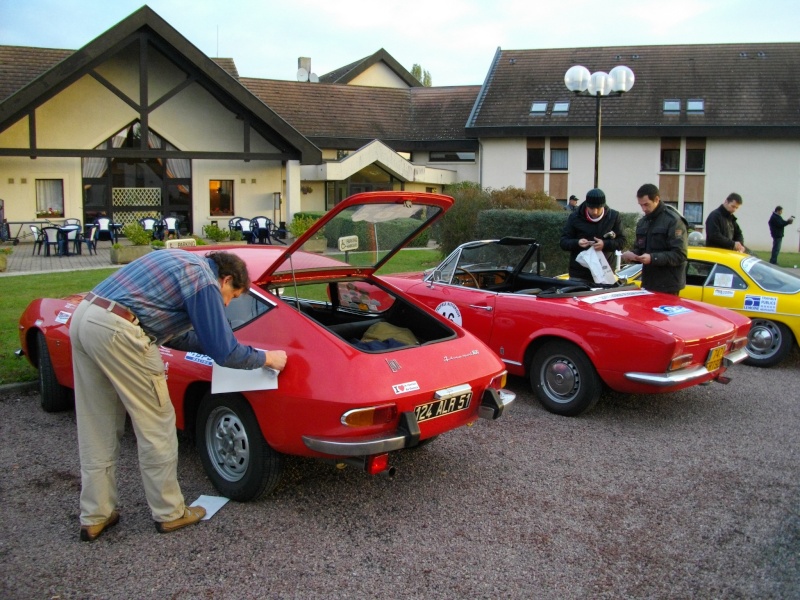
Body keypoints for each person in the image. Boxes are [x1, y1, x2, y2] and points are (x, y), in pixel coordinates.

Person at [69, 250, 287, 542]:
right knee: (156, 425)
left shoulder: (181, 261)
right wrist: (265, 358)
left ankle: (95, 515)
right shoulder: (204, 280)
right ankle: (170, 513)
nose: (226, 303)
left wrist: (226, 345)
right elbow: (224, 353)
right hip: (120, 330)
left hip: (85, 317)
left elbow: (180, 337)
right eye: (232, 297)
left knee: (97, 423)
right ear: (226, 280)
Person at [621, 183, 688, 295]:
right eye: (641, 205)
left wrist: (653, 258)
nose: (643, 209)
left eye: (646, 204)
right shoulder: (643, 222)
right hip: (649, 282)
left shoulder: (673, 221)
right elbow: (640, 249)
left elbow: (680, 255)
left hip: (669, 285)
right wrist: (632, 255)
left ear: (656, 199)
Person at [560, 188, 626, 282]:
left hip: (605, 274)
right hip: (579, 275)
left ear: (603, 205)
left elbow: (622, 241)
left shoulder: (614, 216)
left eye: (598, 208)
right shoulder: (575, 217)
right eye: (591, 208)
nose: (595, 212)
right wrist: (577, 243)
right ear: (587, 205)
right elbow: (563, 242)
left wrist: (605, 244)